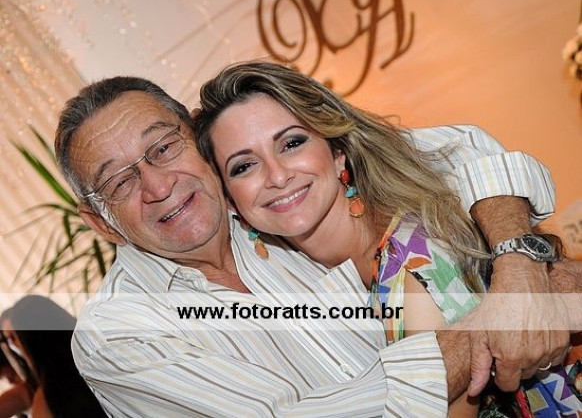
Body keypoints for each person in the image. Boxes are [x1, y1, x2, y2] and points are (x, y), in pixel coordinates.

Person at [54, 74, 568, 417]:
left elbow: (462, 153)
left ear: (200, 148)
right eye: (118, 182)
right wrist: (496, 319)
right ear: (101, 223)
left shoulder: (272, 208)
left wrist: (520, 265)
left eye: (164, 148)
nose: (157, 185)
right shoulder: (118, 331)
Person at [192, 60, 581, 416]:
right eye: (244, 166)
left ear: (338, 152)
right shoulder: (324, 268)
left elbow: (468, 146)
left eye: (292, 143)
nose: (277, 176)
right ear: (231, 202)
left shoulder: (413, 260)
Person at [6, 295, 107, 418]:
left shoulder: (48, 400)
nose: (14, 345)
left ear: (28, 345)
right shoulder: (108, 355)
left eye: (14, 338)